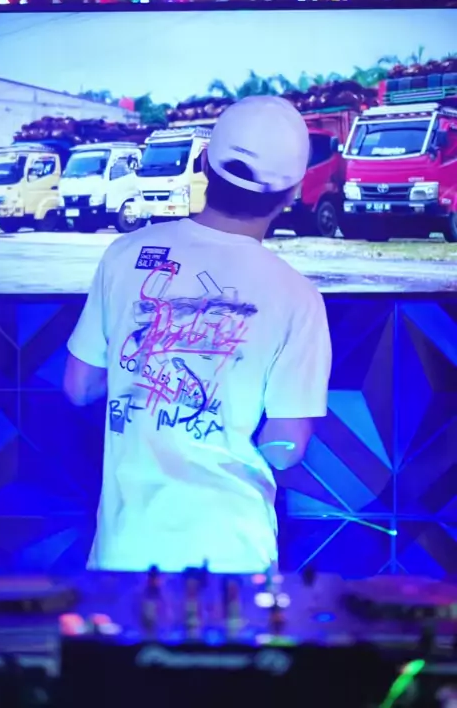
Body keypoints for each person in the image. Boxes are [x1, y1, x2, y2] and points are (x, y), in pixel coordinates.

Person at [64, 95, 332, 573]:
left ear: (205, 163)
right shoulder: (298, 296)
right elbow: (286, 450)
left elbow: (79, 387)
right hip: (235, 557)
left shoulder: (125, 253)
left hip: (125, 552)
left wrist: (141, 375)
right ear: (292, 192)